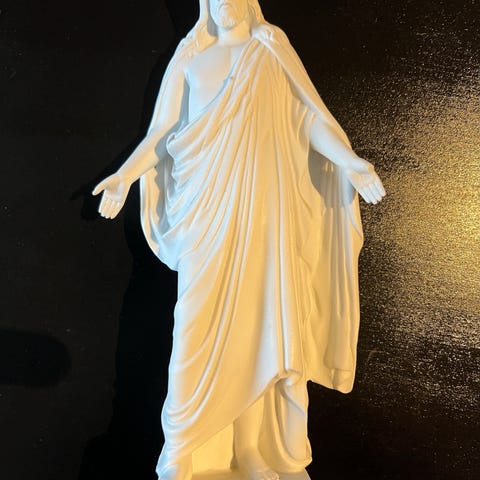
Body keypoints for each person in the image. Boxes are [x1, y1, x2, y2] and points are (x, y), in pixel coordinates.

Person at [93, 1, 386, 479]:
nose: (224, 3)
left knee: (264, 330)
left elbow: (306, 119)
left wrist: (350, 161)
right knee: (193, 330)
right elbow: (162, 132)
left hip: (265, 220)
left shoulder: (270, 49)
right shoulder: (191, 57)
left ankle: (252, 451)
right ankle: (182, 451)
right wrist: (125, 177)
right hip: (207, 221)